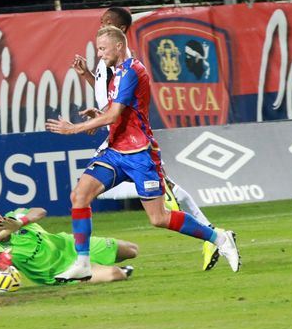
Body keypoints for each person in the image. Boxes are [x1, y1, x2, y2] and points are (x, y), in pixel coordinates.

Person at [46, 26, 240, 282]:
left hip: (140, 154)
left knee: (158, 218)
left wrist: (74, 129)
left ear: (118, 46)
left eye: (103, 49)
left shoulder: (132, 71)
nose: (100, 54)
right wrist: (93, 95)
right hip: (115, 151)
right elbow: (114, 109)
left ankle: (218, 237)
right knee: (79, 195)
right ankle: (83, 263)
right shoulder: (117, 73)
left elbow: (115, 115)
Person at [0, 206, 138, 285]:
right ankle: (102, 269)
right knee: (114, 274)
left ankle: (97, 265)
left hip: (69, 245)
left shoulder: (14, 217)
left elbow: (40, 211)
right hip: (63, 271)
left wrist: (20, 223)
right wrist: (2, 270)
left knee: (132, 250)